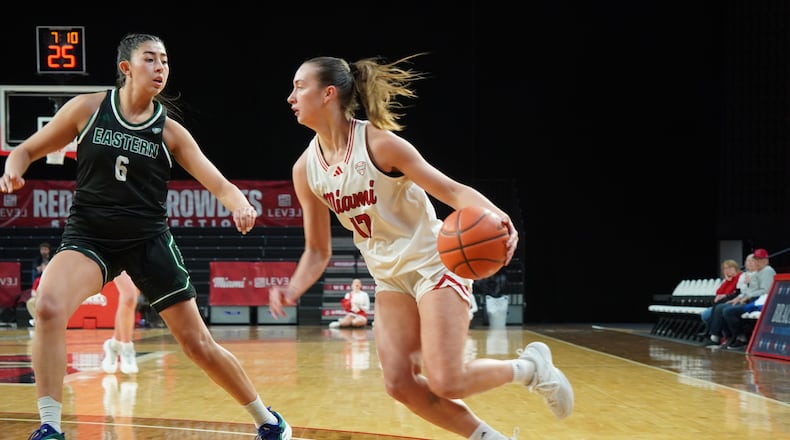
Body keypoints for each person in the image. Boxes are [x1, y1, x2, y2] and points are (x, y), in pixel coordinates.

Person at [0, 33, 290, 440]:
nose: (160, 68)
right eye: (150, 59)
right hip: (91, 236)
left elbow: (220, 183)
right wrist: (14, 169)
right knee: (47, 306)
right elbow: (25, 150)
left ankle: (268, 420)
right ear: (126, 68)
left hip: (148, 242)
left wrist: (240, 205)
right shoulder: (88, 108)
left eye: (165, 61)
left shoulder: (170, 132)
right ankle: (50, 426)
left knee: (197, 345)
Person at [269, 54, 573, 439]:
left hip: (434, 262)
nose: (290, 97)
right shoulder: (305, 169)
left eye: (299, 86)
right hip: (390, 278)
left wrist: (499, 218)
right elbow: (317, 250)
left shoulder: (380, 144)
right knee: (399, 384)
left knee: (447, 379)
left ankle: (531, 368)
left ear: (328, 94)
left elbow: (451, 190)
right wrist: (292, 288)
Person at [707, 248, 776, 349]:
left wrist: (746, 297)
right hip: (750, 300)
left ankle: (740, 338)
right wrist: (740, 297)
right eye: (755, 259)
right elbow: (749, 291)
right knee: (720, 307)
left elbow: (765, 292)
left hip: (758, 303)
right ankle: (718, 337)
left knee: (728, 311)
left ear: (766, 260)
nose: (757, 261)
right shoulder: (758, 272)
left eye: (759, 259)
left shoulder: (767, 271)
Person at [101, 271, 141, 375]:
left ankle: (114, 345)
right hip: (115, 255)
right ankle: (127, 349)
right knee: (129, 295)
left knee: (130, 299)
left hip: (138, 256)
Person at [696, 258, 745, 337]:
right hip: (723, 302)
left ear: (735, 267)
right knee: (705, 314)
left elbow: (735, 292)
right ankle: (719, 334)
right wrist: (727, 281)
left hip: (733, 302)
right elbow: (718, 292)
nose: (727, 270)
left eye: (729, 268)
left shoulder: (740, 276)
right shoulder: (728, 280)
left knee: (708, 314)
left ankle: (719, 334)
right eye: (725, 268)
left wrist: (729, 283)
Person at [26, 261, 47, 327]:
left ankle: (39, 320)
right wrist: (39, 297)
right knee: (30, 302)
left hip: (50, 298)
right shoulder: (37, 280)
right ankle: (38, 319)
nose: (45, 268)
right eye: (44, 267)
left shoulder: (52, 279)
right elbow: (33, 292)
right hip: (39, 298)